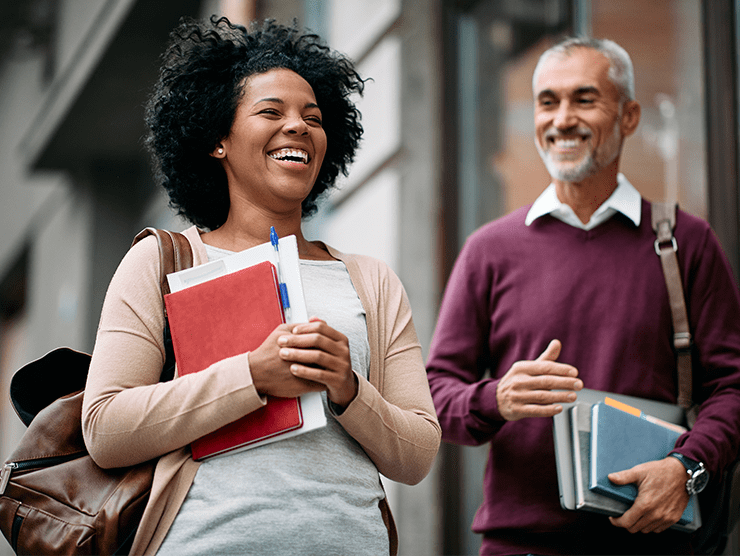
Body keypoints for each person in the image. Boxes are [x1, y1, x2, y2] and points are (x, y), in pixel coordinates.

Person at [81, 16, 440, 556]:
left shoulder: (371, 280)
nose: (297, 126)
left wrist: (348, 387)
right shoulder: (161, 261)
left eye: (313, 117)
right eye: (270, 112)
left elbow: (416, 456)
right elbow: (106, 429)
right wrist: (252, 375)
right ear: (218, 140)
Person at [426, 36, 740, 555]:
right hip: (521, 545)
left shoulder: (687, 241)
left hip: (654, 541)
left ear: (629, 116)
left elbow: (731, 387)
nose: (562, 118)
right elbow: (434, 396)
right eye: (548, 102)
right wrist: (495, 398)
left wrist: (687, 467)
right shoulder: (490, 249)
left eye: (584, 99)